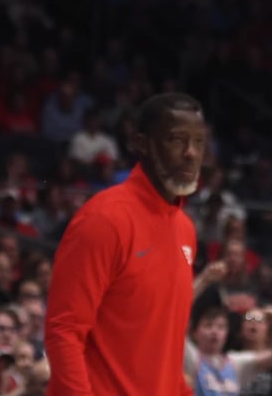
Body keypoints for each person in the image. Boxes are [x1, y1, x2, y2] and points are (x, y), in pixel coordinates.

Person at [47, 92, 207, 396]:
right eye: (177, 140)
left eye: (199, 141)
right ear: (142, 144)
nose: (191, 153)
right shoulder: (104, 219)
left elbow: (163, 352)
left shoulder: (185, 229)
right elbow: (64, 332)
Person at [184, 304, 272, 396]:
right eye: (208, 325)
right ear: (194, 332)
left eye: (221, 327)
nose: (214, 331)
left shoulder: (235, 362)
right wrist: (205, 281)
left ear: (226, 334)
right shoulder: (190, 357)